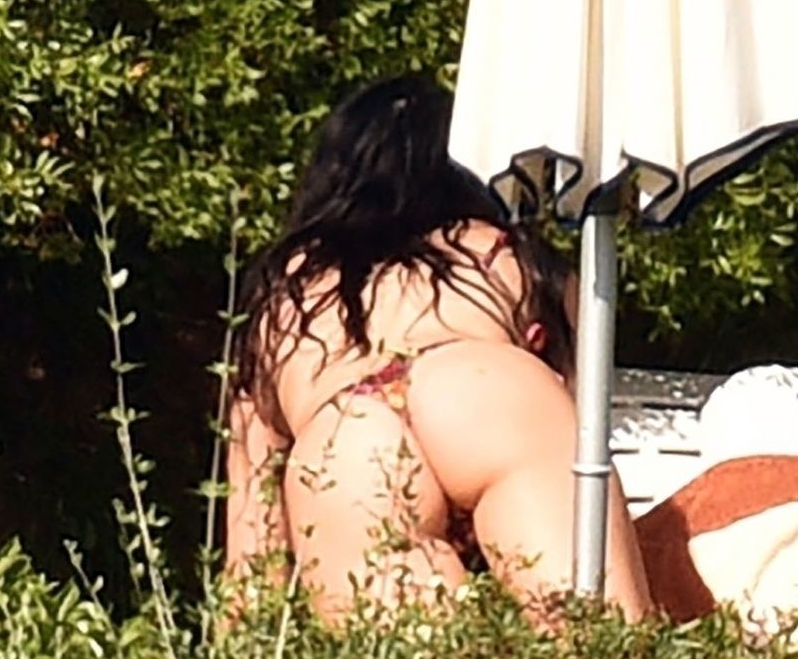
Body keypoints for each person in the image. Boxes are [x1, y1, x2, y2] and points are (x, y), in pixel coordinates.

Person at [222, 76, 653, 627]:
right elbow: (585, 429)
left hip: (346, 437)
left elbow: (252, 553)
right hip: (479, 388)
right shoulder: (504, 252)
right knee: (597, 646)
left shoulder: (282, 293)